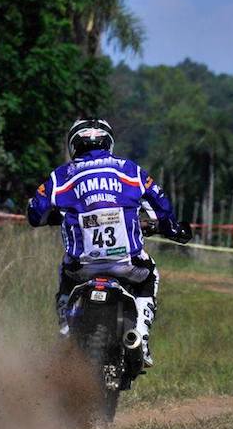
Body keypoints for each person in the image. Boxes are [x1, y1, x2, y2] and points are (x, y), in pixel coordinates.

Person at [26, 118, 191, 367]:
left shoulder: (61, 175)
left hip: (81, 268)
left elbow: (35, 214)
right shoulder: (130, 170)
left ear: (74, 144)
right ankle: (141, 339)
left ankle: (65, 333)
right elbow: (161, 204)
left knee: (64, 274)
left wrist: (51, 215)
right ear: (109, 142)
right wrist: (174, 229)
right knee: (150, 276)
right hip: (127, 264)